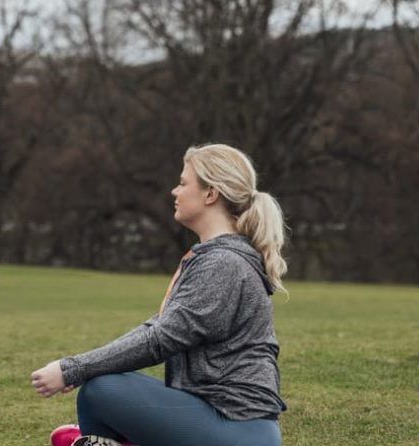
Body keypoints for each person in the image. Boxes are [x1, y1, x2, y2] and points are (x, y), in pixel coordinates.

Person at [31, 143, 288, 446]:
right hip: (225, 424)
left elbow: (159, 339)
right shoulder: (218, 257)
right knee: (98, 396)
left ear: (210, 194)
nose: (174, 191)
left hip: (237, 430)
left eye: (183, 183)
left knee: (100, 391)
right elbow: (160, 329)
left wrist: (71, 369)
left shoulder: (224, 264)